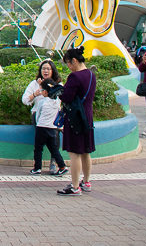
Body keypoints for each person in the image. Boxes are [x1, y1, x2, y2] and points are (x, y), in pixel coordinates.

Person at [57, 46, 96, 196]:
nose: (68, 66)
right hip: (88, 117)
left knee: (75, 153)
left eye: (68, 63)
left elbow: (66, 97)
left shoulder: (74, 77)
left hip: (75, 119)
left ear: (74, 61)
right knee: (86, 152)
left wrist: (59, 90)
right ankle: (86, 182)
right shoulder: (91, 75)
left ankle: (74, 186)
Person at [21, 59, 67, 176]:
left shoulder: (58, 85)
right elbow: (25, 100)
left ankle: (42, 166)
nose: (45, 71)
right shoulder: (34, 84)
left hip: (45, 122)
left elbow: (62, 101)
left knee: (40, 146)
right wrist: (35, 93)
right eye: (43, 68)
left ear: (53, 70)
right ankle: (61, 165)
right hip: (48, 122)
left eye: (48, 69)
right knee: (53, 143)